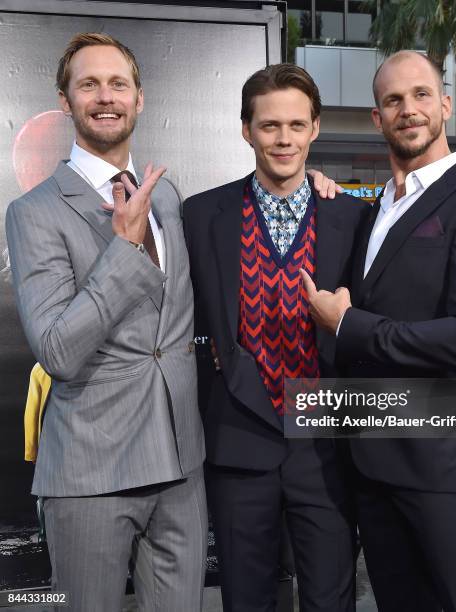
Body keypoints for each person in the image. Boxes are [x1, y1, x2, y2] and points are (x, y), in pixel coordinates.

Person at [302, 50, 456, 612]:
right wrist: (317, 188)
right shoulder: (377, 207)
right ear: (377, 118)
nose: (409, 109)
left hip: (446, 474)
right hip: (375, 471)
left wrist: (351, 325)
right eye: (393, 100)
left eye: (421, 94)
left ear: (445, 104)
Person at [6, 33, 207, 611]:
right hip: (91, 476)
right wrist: (123, 248)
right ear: (65, 102)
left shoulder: (165, 195)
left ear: (139, 98)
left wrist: (318, 189)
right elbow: (58, 353)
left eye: (118, 83)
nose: (105, 96)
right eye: (88, 84)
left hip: (181, 469)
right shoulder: (33, 213)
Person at [182, 64, 368, 612]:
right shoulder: (200, 214)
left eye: (295, 124)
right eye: (268, 126)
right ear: (246, 130)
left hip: (326, 445)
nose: (283, 139)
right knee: (246, 598)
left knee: (332, 598)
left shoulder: (353, 216)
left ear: (314, 128)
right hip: (238, 438)